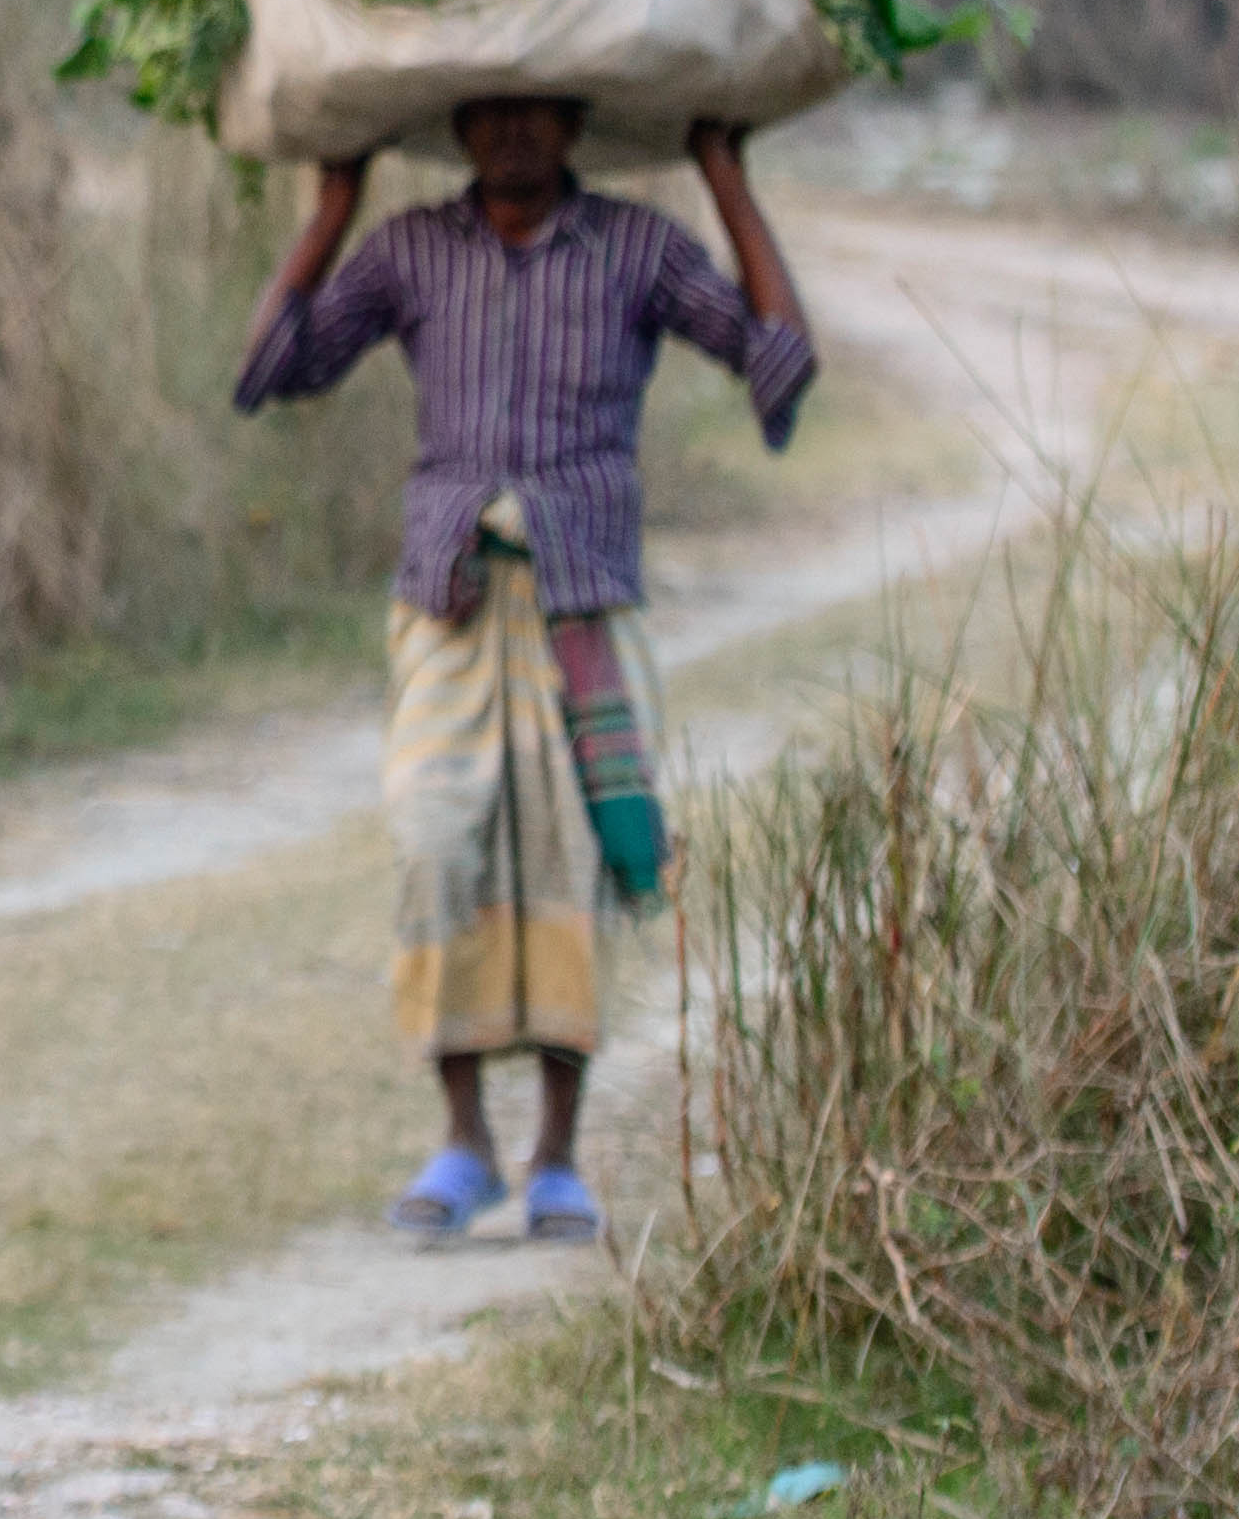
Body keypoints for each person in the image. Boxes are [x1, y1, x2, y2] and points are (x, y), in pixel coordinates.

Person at [230, 95, 816, 1248]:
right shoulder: (409, 252)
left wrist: (723, 175)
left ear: (574, 122)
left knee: (570, 861)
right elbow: (269, 371)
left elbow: (778, 370)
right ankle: (463, 1143)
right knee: (435, 837)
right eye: (487, 115)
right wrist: (333, 203)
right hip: (445, 599)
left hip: (580, 600)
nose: (510, 136)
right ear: (458, 129)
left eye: (534, 115)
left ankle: (555, 1155)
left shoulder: (638, 250)